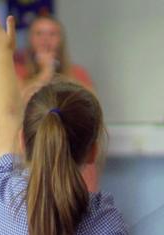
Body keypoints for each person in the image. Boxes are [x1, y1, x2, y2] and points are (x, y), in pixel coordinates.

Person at [0, 1, 152, 235]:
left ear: (22, 140)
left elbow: (7, 114)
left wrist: (0, 55)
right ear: (92, 150)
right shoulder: (94, 217)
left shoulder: (1, 186)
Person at [14, 13, 99, 192]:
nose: (46, 40)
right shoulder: (18, 74)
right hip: (34, 157)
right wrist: (46, 72)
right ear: (30, 39)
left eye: (52, 34)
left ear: (61, 40)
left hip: (74, 155)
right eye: (39, 33)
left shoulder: (78, 74)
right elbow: (18, 106)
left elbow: (92, 108)